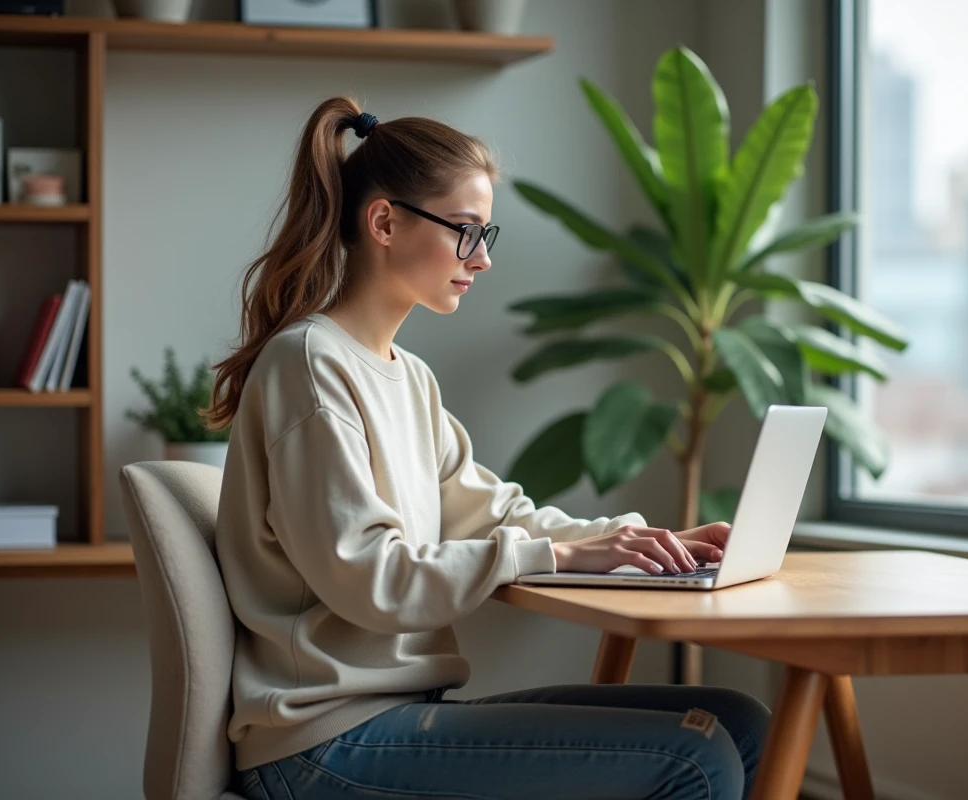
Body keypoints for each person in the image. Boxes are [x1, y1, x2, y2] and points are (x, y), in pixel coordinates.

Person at [204, 96, 770, 800]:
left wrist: (635, 541)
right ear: (383, 221)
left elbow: (492, 513)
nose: (485, 257)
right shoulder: (310, 365)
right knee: (695, 761)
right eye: (466, 231)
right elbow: (370, 577)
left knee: (742, 723)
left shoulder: (407, 378)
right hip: (323, 742)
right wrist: (558, 556)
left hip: (399, 715)